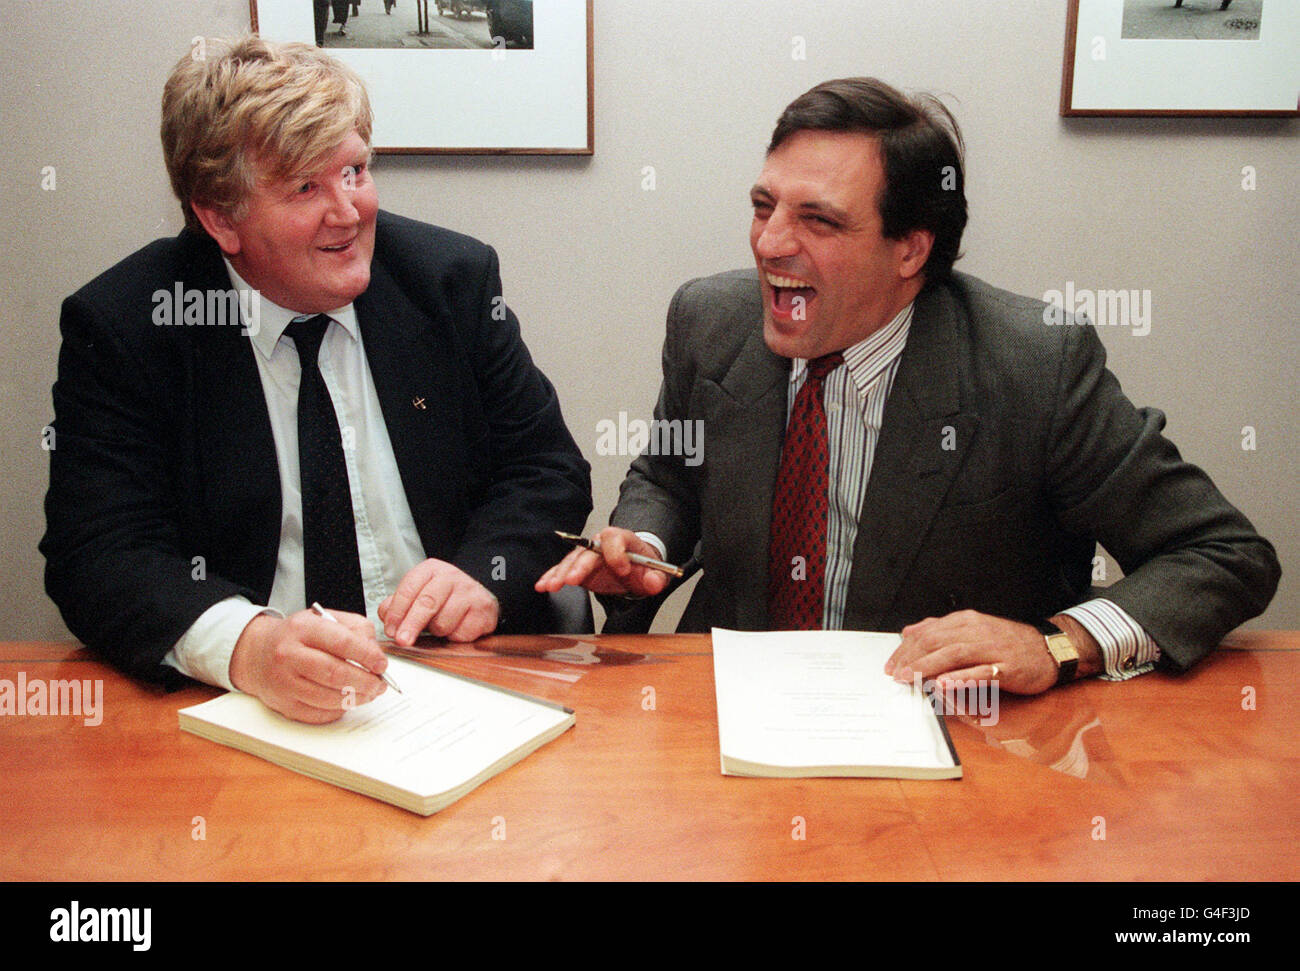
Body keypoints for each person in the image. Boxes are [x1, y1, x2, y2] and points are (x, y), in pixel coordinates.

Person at [537, 77, 1279, 694]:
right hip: (727, 707)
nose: (768, 244)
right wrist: (645, 540)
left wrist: (1059, 643)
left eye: (818, 220)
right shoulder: (708, 319)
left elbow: (1223, 554)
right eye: (764, 206)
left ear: (910, 249)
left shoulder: (1036, 365)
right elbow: (669, 475)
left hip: (947, 731)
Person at [42, 37, 591, 723]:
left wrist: (483, 572)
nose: (349, 211)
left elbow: (546, 468)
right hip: (243, 709)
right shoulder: (129, 324)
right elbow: (98, 551)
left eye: (355, 171)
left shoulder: (449, 280)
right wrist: (246, 643)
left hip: (453, 684)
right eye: (306, 187)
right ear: (220, 216)